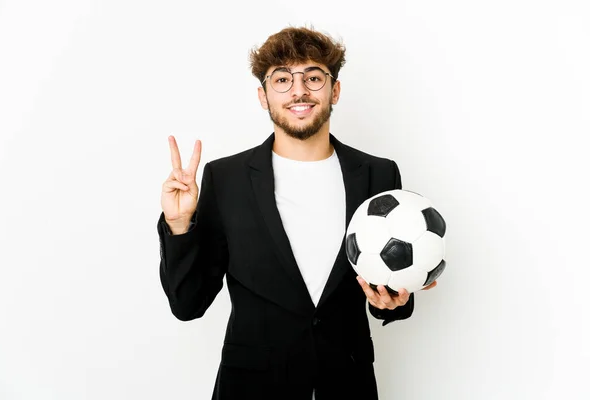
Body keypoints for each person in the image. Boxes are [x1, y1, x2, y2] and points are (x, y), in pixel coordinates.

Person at [157, 26, 436, 400]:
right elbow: (188, 305)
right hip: (252, 388)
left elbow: (394, 282)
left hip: (347, 385)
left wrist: (393, 301)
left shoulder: (378, 174)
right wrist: (179, 225)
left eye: (314, 78)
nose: (299, 91)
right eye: (283, 79)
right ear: (263, 95)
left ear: (334, 90)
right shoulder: (226, 179)